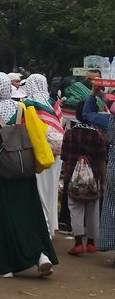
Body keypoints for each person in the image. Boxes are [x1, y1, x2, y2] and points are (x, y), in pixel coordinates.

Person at [0, 72, 57, 278]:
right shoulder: (22, 108)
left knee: (2, 217)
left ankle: (3, 265)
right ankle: (41, 255)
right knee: (29, 213)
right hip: (24, 169)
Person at [62, 96, 108, 255]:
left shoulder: (69, 133)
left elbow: (64, 156)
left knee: (75, 208)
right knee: (93, 208)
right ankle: (91, 243)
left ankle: (77, 243)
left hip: (73, 177)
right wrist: (103, 179)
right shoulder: (98, 134)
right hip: (94, 177)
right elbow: (102, 158)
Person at [24, 74, 64, 238]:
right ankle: (50, 227)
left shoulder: (28, 104)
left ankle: (42, 226)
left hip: (38, 153)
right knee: (51, 190)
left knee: (39, 189)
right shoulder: (53, 102)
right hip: (57, 153)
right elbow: (60, 124)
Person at [80, 90, 115, 254]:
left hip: (113, 168)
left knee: (111, 207)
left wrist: (93, 94)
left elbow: (87, 113)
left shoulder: (110, 121)